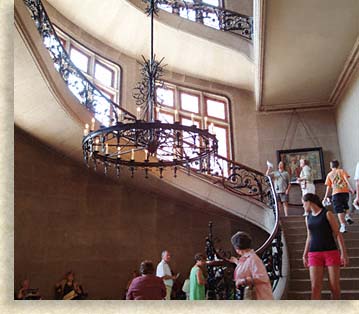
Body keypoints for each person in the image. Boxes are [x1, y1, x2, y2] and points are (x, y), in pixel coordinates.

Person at [302, 193, 349, 299]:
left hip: (331, 252)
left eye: (304, 203)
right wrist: (304, 254)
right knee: (315, 287)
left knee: (334, 287)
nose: (303, 206)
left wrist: (344, 254)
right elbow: (309, 236)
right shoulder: (307, 218)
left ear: (309, 202)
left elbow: (337, 234)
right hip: (314, 253)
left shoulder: (327, 214)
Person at [229, 231, 273, 300]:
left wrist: (243, 281)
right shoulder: (248, 257)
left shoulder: (253, 258)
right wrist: (236, 262)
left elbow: (262, 277)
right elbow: (247, 268)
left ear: (237, 248)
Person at [323, 160, 355, 233]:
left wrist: (325, 197)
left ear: (331, 166)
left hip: (336, 194)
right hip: (345, 192)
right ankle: (347, 216)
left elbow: (328, 187)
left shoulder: (329, 174)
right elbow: (346, 181)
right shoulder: (342, 171)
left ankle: (343, 226)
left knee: (339, 210)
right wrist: (351, 189)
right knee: (345, 205)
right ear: (338, 165)